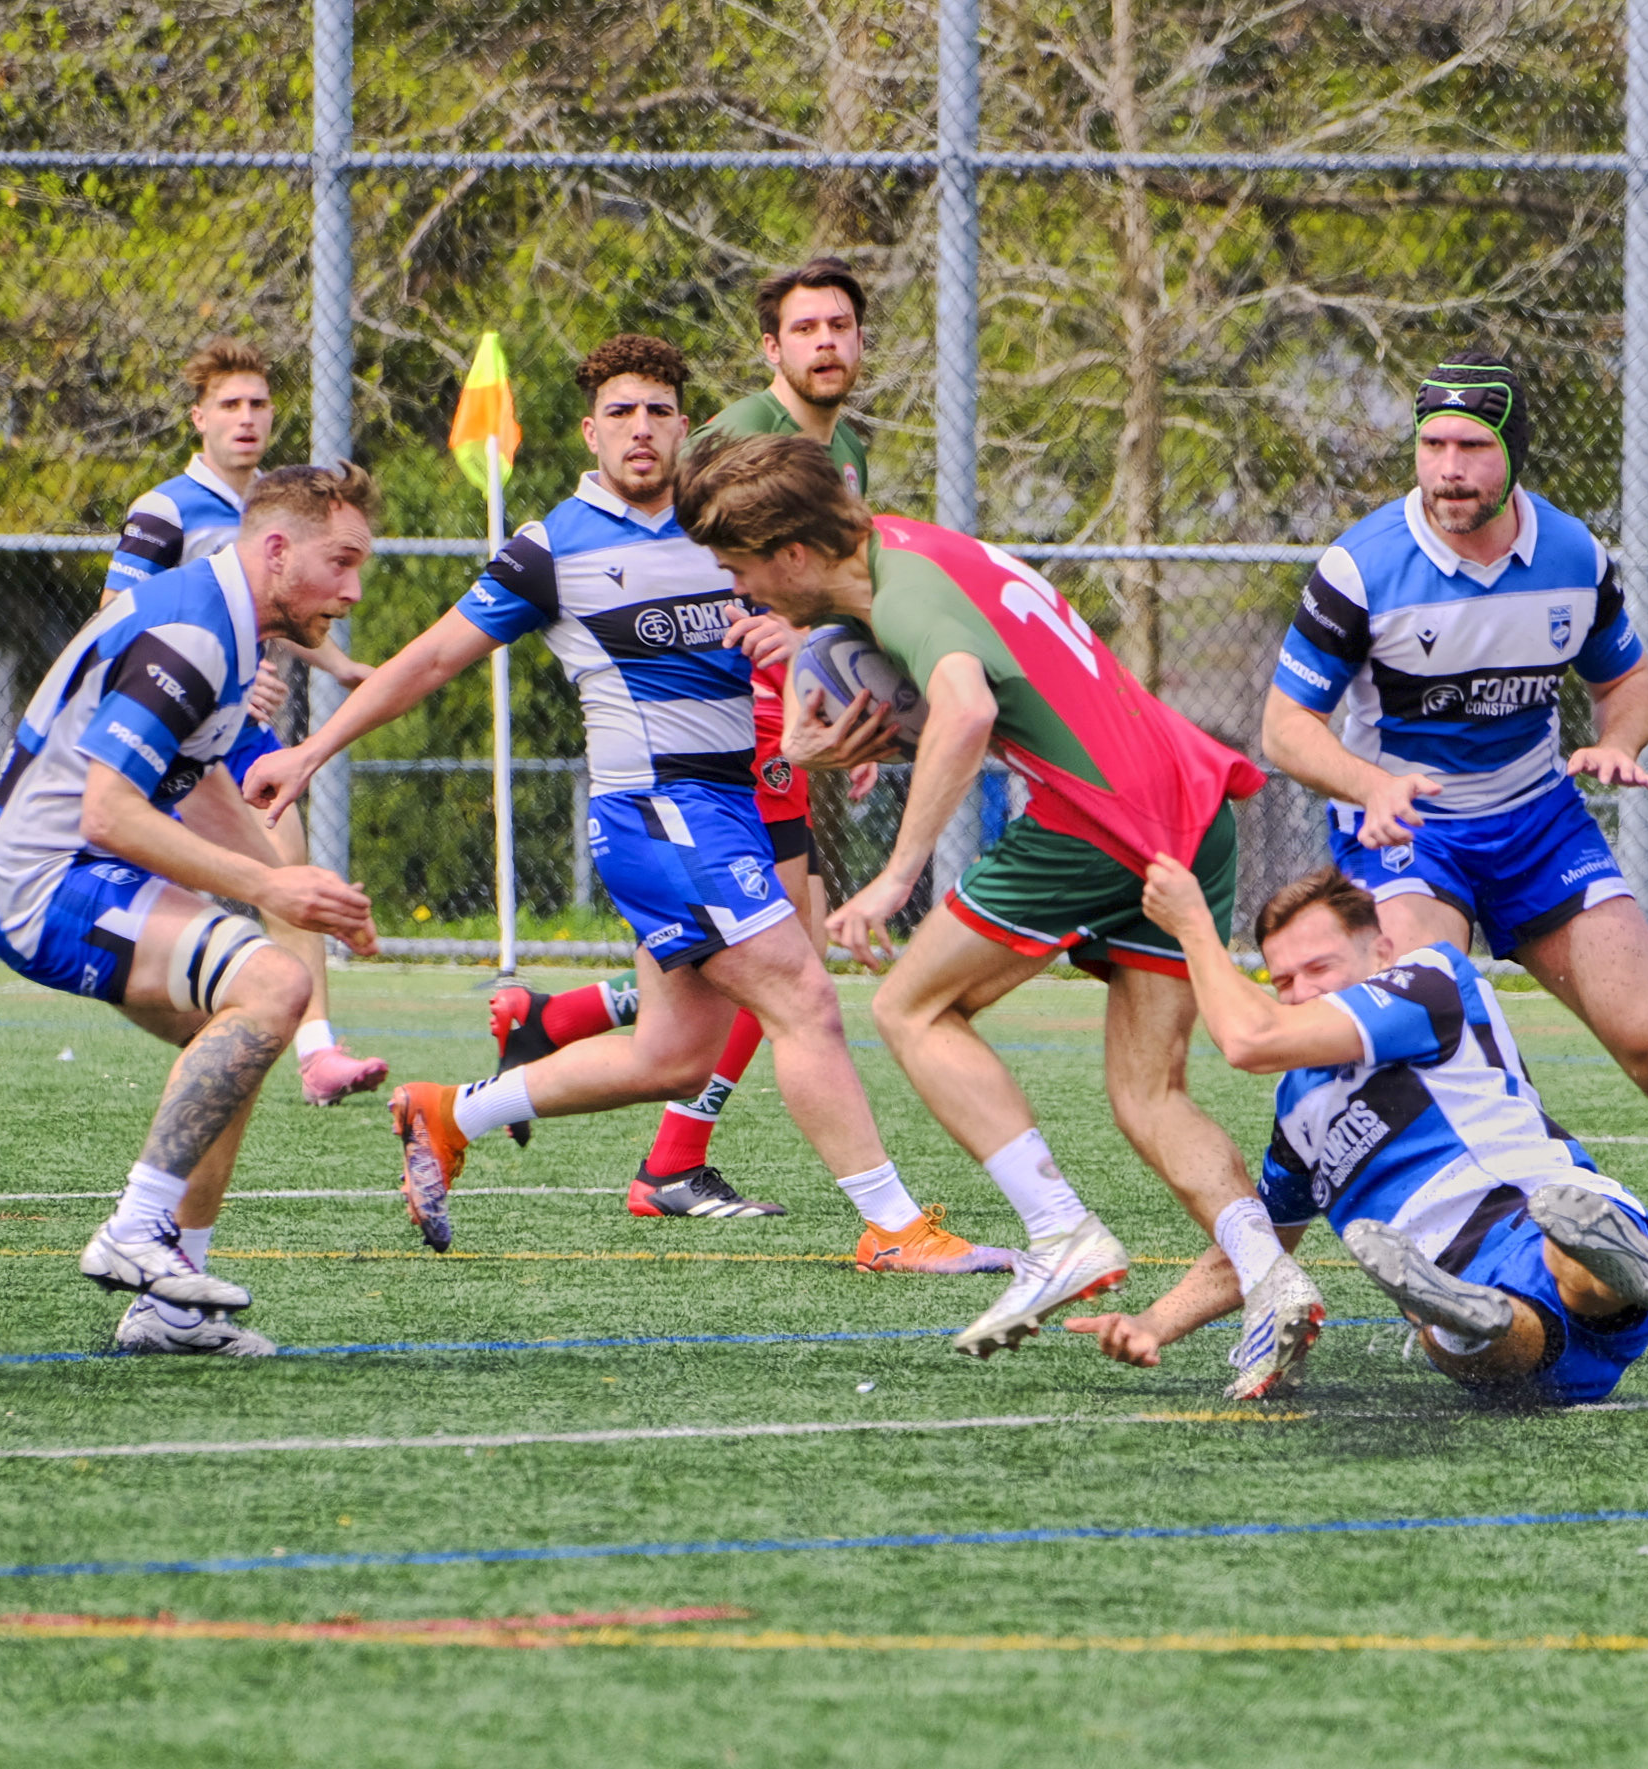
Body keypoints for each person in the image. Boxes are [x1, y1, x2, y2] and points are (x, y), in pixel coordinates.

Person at [243, 335, 1004, 1277]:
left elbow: (824, 613)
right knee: (803, 995)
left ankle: (449, 1112)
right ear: (589, 431)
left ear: (685, 426)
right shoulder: (552, 547)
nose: (640, 429)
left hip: (727, 807)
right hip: (657, 813)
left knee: (673, 1057)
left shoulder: (724, 526)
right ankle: (892, 1226)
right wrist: (312, 749)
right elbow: (431, 658)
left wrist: (806, 660)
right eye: (620, 412)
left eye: (657, 411)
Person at [677, 432, 1327, 1398]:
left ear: (796, 554)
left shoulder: (904, 597)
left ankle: (1060, 1232)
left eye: (741, 569)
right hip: (1186, 804)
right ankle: (1271, 1277)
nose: (741, 591)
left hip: (1098, 818)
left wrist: (895, 876)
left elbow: (968, 711)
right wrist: (847, 746)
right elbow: (993, 698)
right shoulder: (912, 549)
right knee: (1148, 1094)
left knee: (910, 1007)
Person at [1260, 350, 1648, 1362]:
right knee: (1432, 1042)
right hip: (1408, 834)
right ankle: (1454, 1292)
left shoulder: (1569, 554)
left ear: (1512, 454)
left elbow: (1625, 680)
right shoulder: (1359, 567)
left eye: (1471, 446)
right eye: (1431, 444)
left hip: (1538, 823)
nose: (1448, 467)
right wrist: (1368, 784)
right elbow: (1285, 726)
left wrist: (1619, 742)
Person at [486, 261, 891, 1234]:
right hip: (737, 736)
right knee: (784, 958)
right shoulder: (740, 434)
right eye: (807, 328)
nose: (827, 342)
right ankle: (673, 1154)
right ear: (771, 348)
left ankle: (561, 1026)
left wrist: (840, 687)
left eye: (841, 325)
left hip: (770, 722)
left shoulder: (842, 447)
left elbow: (813, 591)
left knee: (756, 958)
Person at [0, 464, 386, 1356]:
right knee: (271, 987)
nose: (353, 590)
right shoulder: (194, 634)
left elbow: (196, 785)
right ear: (276, 551)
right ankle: (136, 1228)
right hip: (45, 879)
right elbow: (108, 811)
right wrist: (271, 888)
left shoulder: (231, 624)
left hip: (88, 866)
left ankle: (170, 1305)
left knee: (241, 1032)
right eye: (341, 562)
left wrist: (297, 887)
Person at [1068, 864, 1648, 1405]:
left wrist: (1192, 926)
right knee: (1487, 1333)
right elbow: (1260, 1247)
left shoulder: (1429, 981)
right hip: (1492, 1313)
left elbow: (1248, 1040)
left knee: (1559, 1253)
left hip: (1530, 1203)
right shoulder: (1297, 1104)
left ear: (1381, 953)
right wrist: (1154, 1323)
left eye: (1320, 967)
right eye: (1283, 982)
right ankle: (1469, 1308)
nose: (1302, 992)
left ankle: (1598, 1265)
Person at [104, 337, 386, 1108]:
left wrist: (342, 668)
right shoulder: (165, 508)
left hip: (241, 729)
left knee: (287, 858)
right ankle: (208, 1029)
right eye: (229, 404)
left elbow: (287, 610)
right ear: (199, 417)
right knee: (153, 881)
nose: (246, 417)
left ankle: (318, 1051)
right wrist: (212, 663)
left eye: (258, 403)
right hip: (175, 723)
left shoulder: (281, 507)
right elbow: (118, 615)